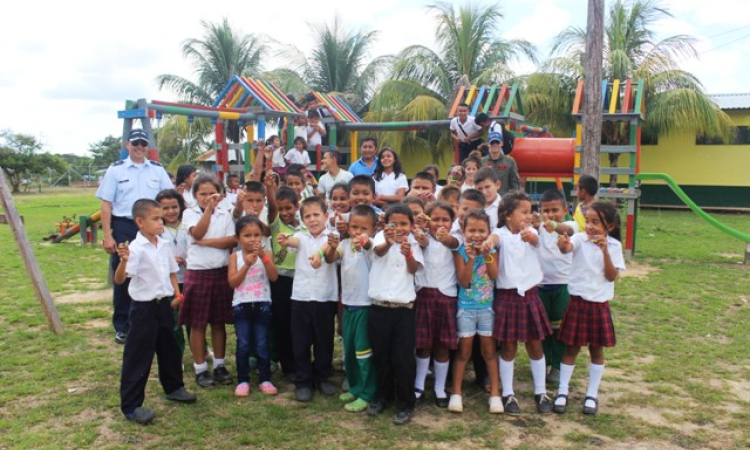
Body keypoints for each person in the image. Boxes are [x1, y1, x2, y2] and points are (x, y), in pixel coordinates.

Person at [114, 199, 196, 425]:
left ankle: (174, 387)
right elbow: (120, 279)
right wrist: (123, 261)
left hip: (164, 305)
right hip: (143, 309)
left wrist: (177, 295)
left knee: (170, 348)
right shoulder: (135, 249)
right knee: (138, 356)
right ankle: (131, 406)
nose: (161, 221)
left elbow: (172, 271)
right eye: (156, 218)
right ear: (140, 222)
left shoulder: (163, 243)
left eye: (161, 218)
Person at [96, 128, 173, 344]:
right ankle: (123, 325)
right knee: (124, 273)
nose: (140, 147)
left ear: (148, 147)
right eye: (136, 143)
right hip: (124, 226)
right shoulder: (116, 170)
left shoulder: (157, 170)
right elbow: (106, 204)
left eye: (144, 144)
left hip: (153, 226)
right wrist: (108, 235)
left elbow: (168, 197)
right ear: (127, 144)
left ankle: (155, 319)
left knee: (157, 269)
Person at [483, 191, 552, 415]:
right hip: (508, 298)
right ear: (507, 215)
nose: (527, 216)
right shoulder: (500, 233)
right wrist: (487, 243)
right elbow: (493, 240)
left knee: (535, 344)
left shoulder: (530, 232)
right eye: (523, 212)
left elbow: (535, 240)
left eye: (529, 212)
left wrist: (529, 236)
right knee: (509, 347)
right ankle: (508, 393)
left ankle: (541, 391)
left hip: (530, 296)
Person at [553, 201, 625, 416]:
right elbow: (566, 248)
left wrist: (604, 252)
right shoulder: (579, 240)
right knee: (571, 349)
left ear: (609, 226)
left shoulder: (614, 246)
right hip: (577, 302)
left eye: (596, 222)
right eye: (588, 221)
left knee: (596, 350)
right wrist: (562, 243)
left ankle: (591, 394)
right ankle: (562, 391)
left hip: (599, 305)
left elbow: (612, 276)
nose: (591, 226)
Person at [367, 204, 424, 426]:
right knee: (381, 356)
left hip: (404, 310)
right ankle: (383, 396)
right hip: (379, 307)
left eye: (404, 224)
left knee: (402, 359)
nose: (399, 228)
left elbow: (413, 269)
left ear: (411, 225)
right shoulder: (379, 238)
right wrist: (389, 242)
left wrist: (408, 252)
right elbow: (377, 252)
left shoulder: (414, 244)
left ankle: (406, 402)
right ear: (385, 224)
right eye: (394, 224)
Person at [277, 197, 339, 402]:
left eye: (316, 215)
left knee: (324, 341)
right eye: (307, 216)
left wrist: (324, 250)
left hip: (325, 298)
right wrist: (285, 239)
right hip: (301, 298)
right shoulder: (301, 237)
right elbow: (292, 241)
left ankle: (322, 377)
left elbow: (331, 256)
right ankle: (303, 381)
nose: (312, 220)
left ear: (326, 216)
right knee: (301, 342)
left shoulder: (333, 236)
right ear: (302, 220)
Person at [179, 175, 238, 388]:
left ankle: (220, 365)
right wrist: (207, 212)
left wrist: (206, 243)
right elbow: (197, 232)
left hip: (221, 272)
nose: (207, 198)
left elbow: (232, 240)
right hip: (198, 274)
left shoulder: (226, 214)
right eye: (202, 194)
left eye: (211, 194)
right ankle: (200, 368)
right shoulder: (189, 213)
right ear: (195, 195)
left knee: (218, 322)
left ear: (220, 195)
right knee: (197, 323)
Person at [325, 205, 379, 412]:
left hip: (365, 307)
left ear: (373, 229)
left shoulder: (372, 247)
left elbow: (367, 247)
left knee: (363, 353)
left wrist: (365, 243)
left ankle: (368, 392)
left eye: (363, 228)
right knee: (349, 351)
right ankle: (355, 387)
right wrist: (330, 246)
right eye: (354, 227)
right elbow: (331, 258)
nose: (357, 232)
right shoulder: (345, 244)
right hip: (347, 306)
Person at [449, 210, 502, 414]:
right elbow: (463, 281)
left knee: (489, 352)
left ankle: (496, 394)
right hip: (466, 309)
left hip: (487, 309)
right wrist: (471, 258)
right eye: (472, 230)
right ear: (463, 231)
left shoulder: (493, 251)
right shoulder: (460, 252)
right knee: (464, 352)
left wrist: (487, 255)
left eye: (482, 231)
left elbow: (495, 275)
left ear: (489, 232)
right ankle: (456, 392)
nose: (477, 235)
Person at [412, 201, 458, 408]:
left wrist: (446, 238)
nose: (440, 223)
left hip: (446, 298)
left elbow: (453, 243)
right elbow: (420, 241)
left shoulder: (455, 239)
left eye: (445, 220)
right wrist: (419, 228)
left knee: (442, 346)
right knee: (423, 345)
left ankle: (440, 387)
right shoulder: (423, 238)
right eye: (435, 219)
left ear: (452, 222)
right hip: (423, 296)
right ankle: (419, 385)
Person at [228, 216, 279, 397]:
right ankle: (243, 380)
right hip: (241, 305)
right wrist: (247, 265)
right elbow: (233, 282)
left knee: (262, 342)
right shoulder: (235, 256)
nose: (252, 239)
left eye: (257, 235)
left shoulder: (267, 255)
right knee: (243, 344)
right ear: (238, 238)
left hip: (262, 304)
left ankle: (265, 378)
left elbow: (273, 277)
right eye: (247, 235)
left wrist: (264, 258)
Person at [531, 189, 578, 384]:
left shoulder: (570, 225)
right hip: (541, 286)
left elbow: (568, 230)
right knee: (542, 328)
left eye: (555, 210)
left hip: (563, 285)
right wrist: (535, 224)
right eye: (546, 210)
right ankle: (543, 362)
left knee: (560, 329)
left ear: (565, 209)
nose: (550, 214)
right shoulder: (538, 228)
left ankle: (557, 365)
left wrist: (553, 225)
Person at [267, 184, 305, 381]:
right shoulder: (275, 224)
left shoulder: (305, 225)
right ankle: (288, 366)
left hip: (302, 279)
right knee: (282, 323)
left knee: (299, 325)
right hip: (280, 281)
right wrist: (268, 187)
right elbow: (272, 208)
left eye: (288, 208)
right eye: (281, 209)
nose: (284, 213)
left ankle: (302, 362)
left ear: (297, 206)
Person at [156, 189, 189, 355]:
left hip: (190, 279)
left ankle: (202, 350)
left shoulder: (189, 227)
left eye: (174, 207)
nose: (170, 212)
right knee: (174, 320)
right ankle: (178, 353)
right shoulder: (157, 231)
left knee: (193, 319)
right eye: (165, 208)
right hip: (170, 283)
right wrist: (169, 260)